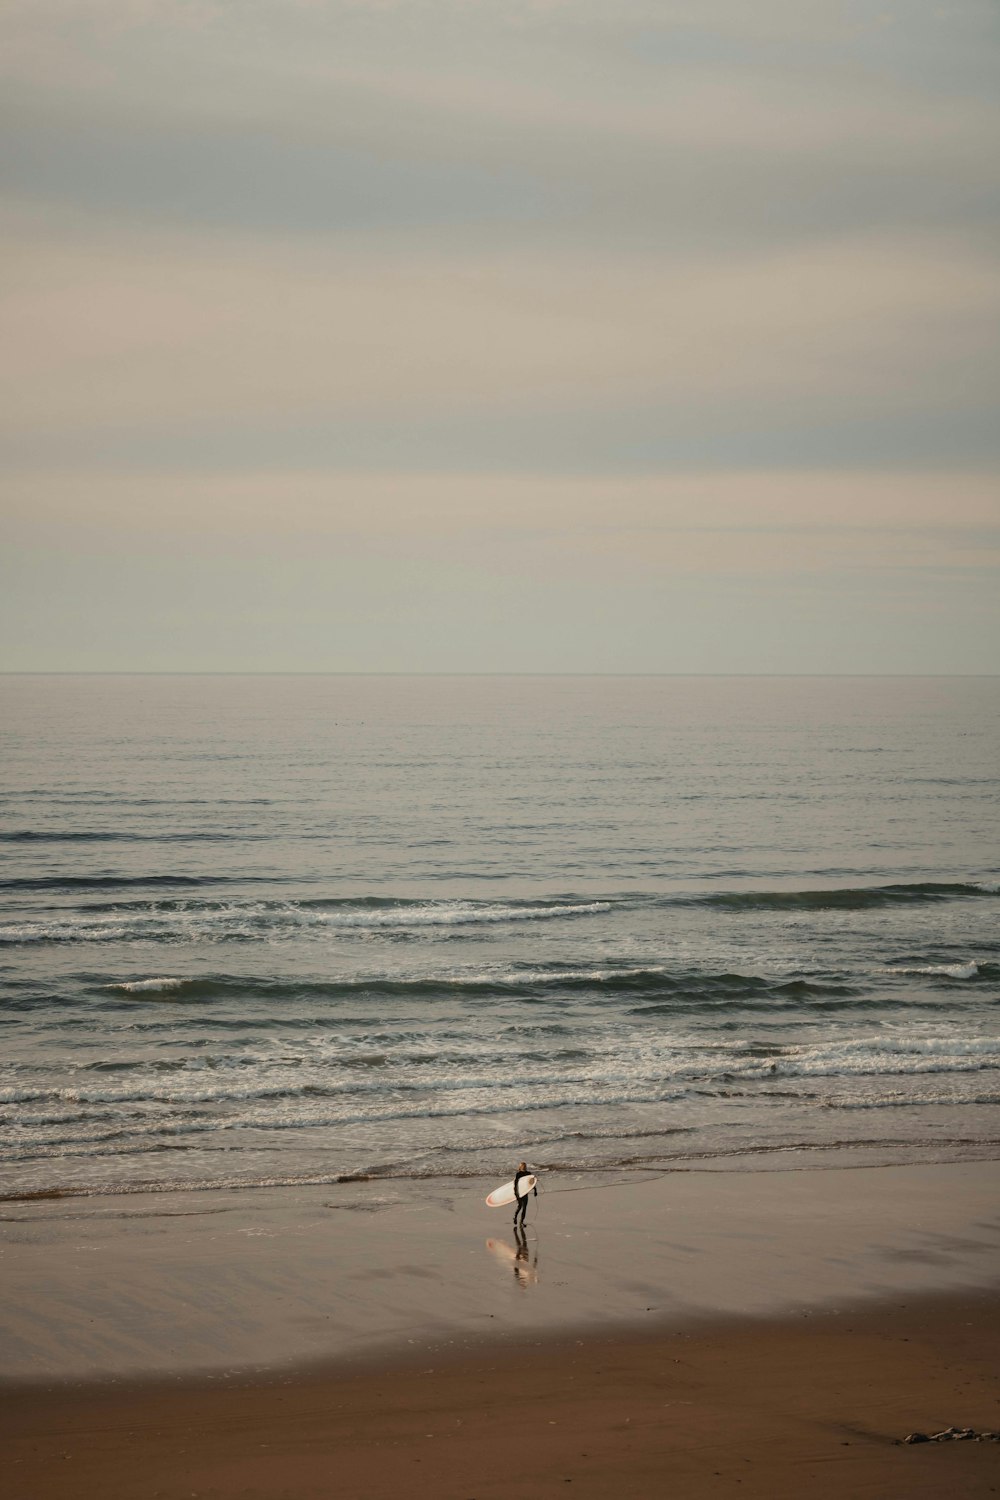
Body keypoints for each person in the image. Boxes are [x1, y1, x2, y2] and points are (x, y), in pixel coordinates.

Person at [512, 1161, 536, 1228]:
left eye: (525, 1166)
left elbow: (531, 1183)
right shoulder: (518, 1174)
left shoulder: (528, 1173)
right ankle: (515, 1217)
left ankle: (522, 1222)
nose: (524, 1167)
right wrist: (516, 1193)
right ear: (520, 1167)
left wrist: (535, 1190)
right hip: (519, 1192)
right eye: (523, 1166)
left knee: (524, 1208)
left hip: (525, 1193)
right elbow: (515, 1185)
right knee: (519, 1206)